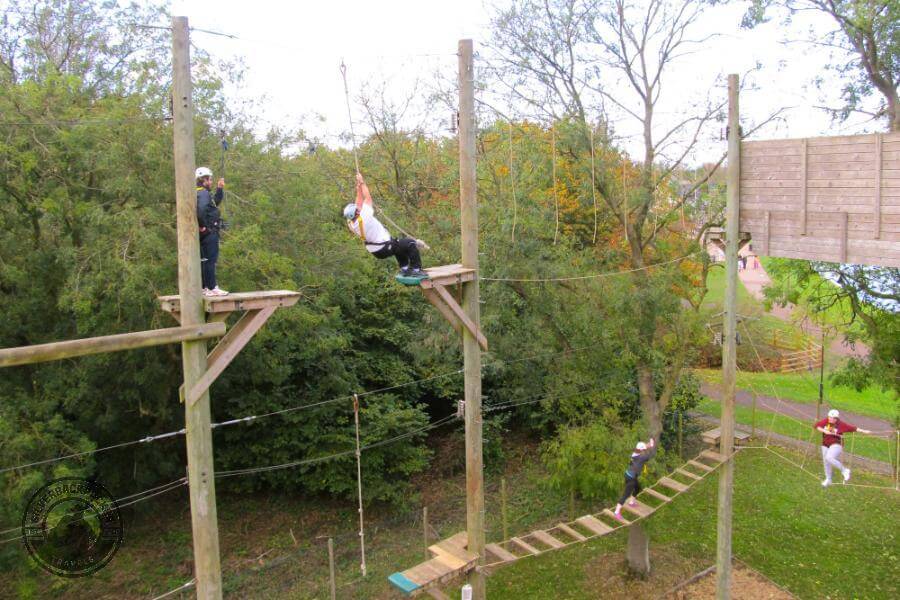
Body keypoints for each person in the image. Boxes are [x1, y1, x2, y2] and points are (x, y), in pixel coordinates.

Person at [343, 172, 428, 278]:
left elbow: (358, 202)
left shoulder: (351, 223)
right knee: (410, 243)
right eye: (357, 210)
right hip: (383, 247)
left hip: (376, 250)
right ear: (356, 213)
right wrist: (363, 182)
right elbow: (368, 198)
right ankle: (416, 270)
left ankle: (405, 269)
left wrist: (358, 187)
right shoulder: (364, 217)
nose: (358, 208)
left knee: (398, 245)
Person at [814, 409, 872, 487]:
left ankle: (844, 470)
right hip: (825, 444)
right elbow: (816, 426)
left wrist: (864, 431)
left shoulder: (840, 424)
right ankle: (828, 479)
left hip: (837, 444)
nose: (831, 419)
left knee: (829, 457)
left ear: (836, 418)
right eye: (830, 417)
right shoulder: (826, 421)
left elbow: (853, 428)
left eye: (833, 418)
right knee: (826, 462)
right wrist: (824, 431)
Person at [196, 166, 228, 297]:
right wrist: (203, 225)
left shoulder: (199, 193)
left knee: (204, 260)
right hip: (209, 232)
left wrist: (220, 189)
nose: (211, 182)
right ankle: (212, 287)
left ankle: (205, 288)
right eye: (209, 180)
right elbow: (202, 209)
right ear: (203, 180)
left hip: (205, 233)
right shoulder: (203, 194)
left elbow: (214, 203)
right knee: (210, 260)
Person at [613, 437, 657, 521]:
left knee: (637, 488)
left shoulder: (635, 454)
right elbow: (651, 454)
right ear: (642, 449)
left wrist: (649, 444)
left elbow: (644, 447)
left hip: (629, 475)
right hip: (631, 478)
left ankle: (631, 502)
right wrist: (651, 445)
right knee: (626, 495)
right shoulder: (642, 457)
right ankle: (616, 511)